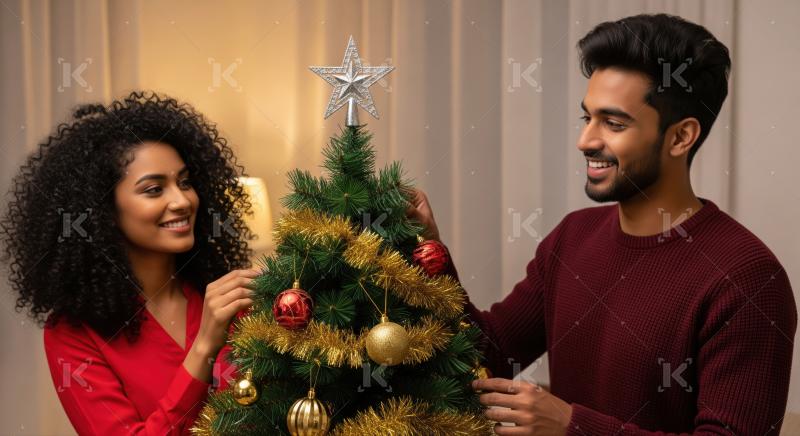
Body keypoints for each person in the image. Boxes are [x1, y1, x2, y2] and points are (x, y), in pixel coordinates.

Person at [408, 13, 796, 436]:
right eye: (587, 118)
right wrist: (431, 251)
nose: (586, 140)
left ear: (681, 137)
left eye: (614, 123)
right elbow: (490, 355)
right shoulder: (571, 237)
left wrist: (573, 426)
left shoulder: (747, 277)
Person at [1, 92, 258, 434]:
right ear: (103, 211)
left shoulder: (230, 298)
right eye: (154, 189)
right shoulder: (73, 334)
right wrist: (205, 345)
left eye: (185, 182)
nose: (182, 201)